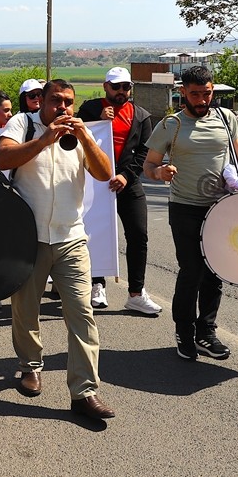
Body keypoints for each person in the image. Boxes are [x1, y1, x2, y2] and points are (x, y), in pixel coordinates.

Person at [144, 65, 238, 362]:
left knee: (215, 272)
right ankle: (184, 331)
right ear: (183, 92)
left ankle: (206, 333)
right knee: (192, 271)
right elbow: (149, 165)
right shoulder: (172, 124)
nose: (202, 99)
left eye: (206, 93)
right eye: (195, 94)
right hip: (185, 207)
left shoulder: (226, 118)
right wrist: (160, 172)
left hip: (222, 208)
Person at [0, 78, 116, 420]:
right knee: (25, 308)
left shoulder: (81, 134)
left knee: (81, 314)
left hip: (71, 238)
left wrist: (87, 139)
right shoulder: (23, 124)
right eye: (55, 101)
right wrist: (45, 138)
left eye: (68, 102)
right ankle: (30, 366)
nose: (62, 108)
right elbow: (3, 158)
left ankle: (84, 392)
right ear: (41, 103)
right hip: (27, 238)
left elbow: (105, 173)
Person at [77, 67, 162, 316]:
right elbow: (76, 137)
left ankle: (136, 293)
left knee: (138, 235)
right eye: (116, 87)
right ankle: (97, 285)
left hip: (128, 182)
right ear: (106, 86)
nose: (121, 92)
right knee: (94, 232)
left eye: (126, 87)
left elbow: (146, 153)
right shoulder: (90, 109)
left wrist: (126, 176)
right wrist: (98, 121)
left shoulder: (141, 116)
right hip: (95, 180)